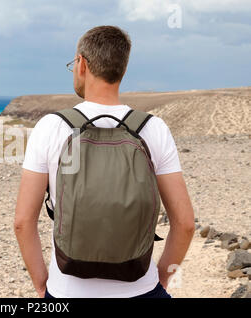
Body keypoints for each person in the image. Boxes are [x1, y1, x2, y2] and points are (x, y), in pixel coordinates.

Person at [14, 26, 195, 298]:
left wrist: (42, 286)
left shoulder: (50, 127)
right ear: (122, 69)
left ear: (82, 64)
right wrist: (158, 282)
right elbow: (185, 224)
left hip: (66, 292)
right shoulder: (153, 129)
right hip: (141, 288)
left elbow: (22, 222)